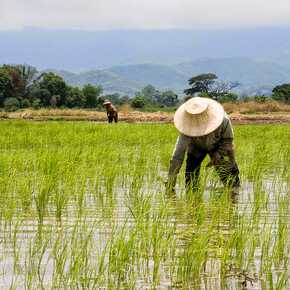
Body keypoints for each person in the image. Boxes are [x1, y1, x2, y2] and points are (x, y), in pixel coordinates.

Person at [166, 97, 240, 195]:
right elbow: (177, 156)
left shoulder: (223, 120)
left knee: (230, 180)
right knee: (191, 180)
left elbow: (228, 141)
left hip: (219, 145)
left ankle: (233, 199)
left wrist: (217, 155)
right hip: (196, 148)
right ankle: (193, 203)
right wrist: (171, 181)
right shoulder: (186, 127)